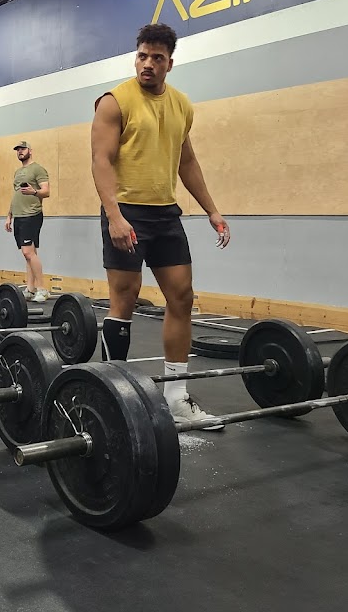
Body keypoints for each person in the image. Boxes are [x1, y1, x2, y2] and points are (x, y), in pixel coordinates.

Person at [90, 22, 231, 427]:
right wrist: (114, 215)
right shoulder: (114, 102)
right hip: (127, 211)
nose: (147, 64)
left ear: (170, 63)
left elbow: (187, 161)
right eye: (142, 56)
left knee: (182, 297)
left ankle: (176, 398)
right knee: (125, 299)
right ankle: (112, 393)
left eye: (156, 58)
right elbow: (101, 160)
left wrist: (212, 210)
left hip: (166, 213)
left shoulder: (182, 105)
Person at [4, 141, 50, 301]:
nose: (20, 151)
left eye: (23, 149)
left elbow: (46, 191)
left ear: (30, 150)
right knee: (29, 254)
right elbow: (16, 195)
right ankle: (30, 289)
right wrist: (9, 216)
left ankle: (42, 289)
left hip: (32, 214)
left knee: (28, 252)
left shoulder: (38, 169)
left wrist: (34, 191)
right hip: (19, 215)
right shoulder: (18, 172)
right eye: (17, 150)